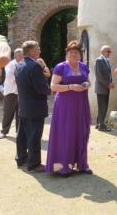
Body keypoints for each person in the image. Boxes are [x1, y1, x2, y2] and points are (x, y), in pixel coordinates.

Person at [46, 41, 92, 176]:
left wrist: (86, 85)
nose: (73, 54)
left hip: (81, 104)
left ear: (80, 55)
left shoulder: (83, 66)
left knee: (81, 131)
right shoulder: (61, 67)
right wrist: (70, 87)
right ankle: (63, 166)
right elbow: (53, 86)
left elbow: (88, 82)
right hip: (65, 106)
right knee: (66, 133)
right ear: (67, 54)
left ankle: (82, 164)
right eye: (71, 52)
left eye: (76, 52)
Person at [15, 41, 50, 172]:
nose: (40, 51)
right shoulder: (34, 66)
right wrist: (49, 88)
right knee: (34, 136)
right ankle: (34, 164)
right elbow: (43, 88)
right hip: (35, 106)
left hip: (23, 106)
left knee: (22, 135)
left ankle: (21, 159)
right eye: (37, 49)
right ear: (31, 51)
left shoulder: (19, 64)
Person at [0, 48, 24, 139]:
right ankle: (4, 132)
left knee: (20, 114)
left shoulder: (22, 64)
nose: (23, 57)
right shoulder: (10, 65)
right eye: (22, 55)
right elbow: (12, 78)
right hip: (11, 93)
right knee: (8, 113)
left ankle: (19, 132)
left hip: (20, 93)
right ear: (18, 56)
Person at [94, 45, 114, 131]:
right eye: (108, 51)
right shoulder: (99, 60)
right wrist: (107, 84)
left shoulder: (106, 61)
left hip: (105, 87)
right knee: (103, 106)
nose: (109, 53)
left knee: (103, 106)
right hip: (102, 87)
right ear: (102, 51)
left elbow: (108, 74)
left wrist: (110, 83)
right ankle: (102, 126)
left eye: (110, 51)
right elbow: (99, 76)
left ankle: (99, 123)